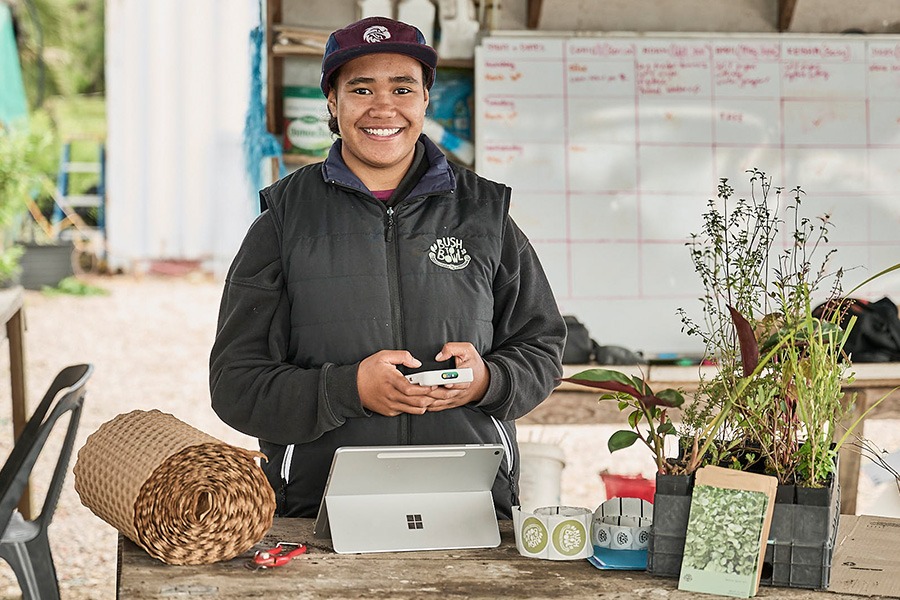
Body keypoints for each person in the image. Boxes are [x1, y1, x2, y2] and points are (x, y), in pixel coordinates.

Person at [209, 16, 566, 519]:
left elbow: (543, 347)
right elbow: (236, 385)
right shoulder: (284, 220)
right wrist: (347, 389)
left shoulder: (483, 214)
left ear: (425, 100)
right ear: (333, 102)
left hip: (470, 505)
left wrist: (489, 380)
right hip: (319, 512)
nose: (384, 107)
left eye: (403, 88)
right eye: (361, 88)